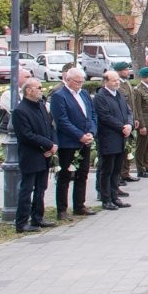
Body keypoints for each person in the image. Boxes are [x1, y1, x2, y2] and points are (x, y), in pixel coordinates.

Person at [50, 67, 98, 219]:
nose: (80, 84)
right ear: (68, 80)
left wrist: (91, 132)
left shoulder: (84, 94)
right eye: (77, 81)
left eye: (82, 81)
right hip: (69, 142)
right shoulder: (59, 96)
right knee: (65, 175)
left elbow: (92, 114)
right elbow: (62, 121)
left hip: (85, 141)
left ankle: (79, 205)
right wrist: (79, 136)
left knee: (82, 174)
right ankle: (62, 209)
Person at [13, 77, 59, 233]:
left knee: (41, 188)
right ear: (28, 90)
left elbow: (49, 126)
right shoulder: (20, 110)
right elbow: (26, 135)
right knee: (27, 189)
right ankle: (22, 222)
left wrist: (53, 144)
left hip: (45, 154)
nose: (41, 90)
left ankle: (38, 218)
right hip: (31, 155)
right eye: (38, 87)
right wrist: (48, 144)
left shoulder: (40, 106)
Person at [93, 70, 133, 210]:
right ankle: (106, 198)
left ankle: (114, 196)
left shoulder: (119, 95)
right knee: (107, 169)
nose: (117, 82)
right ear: (106, 82)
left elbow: (128, 111)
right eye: (113, 80)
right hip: (108, 138)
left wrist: (129, 124)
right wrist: (122, 127)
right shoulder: (100, 97)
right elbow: (104, 117)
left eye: (117, 80)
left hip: (121, 137)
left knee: (117, 169)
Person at [111, 62, 140, 185]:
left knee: (128, 148)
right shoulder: (117, 86)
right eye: (125, 70)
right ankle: (119, 176)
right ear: (118, 71)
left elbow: (132, 104)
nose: (128, 71)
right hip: (121, 123)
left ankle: (125, 173)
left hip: (129, 121)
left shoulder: (126, 83)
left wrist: (135, 119)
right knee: (121, 150)